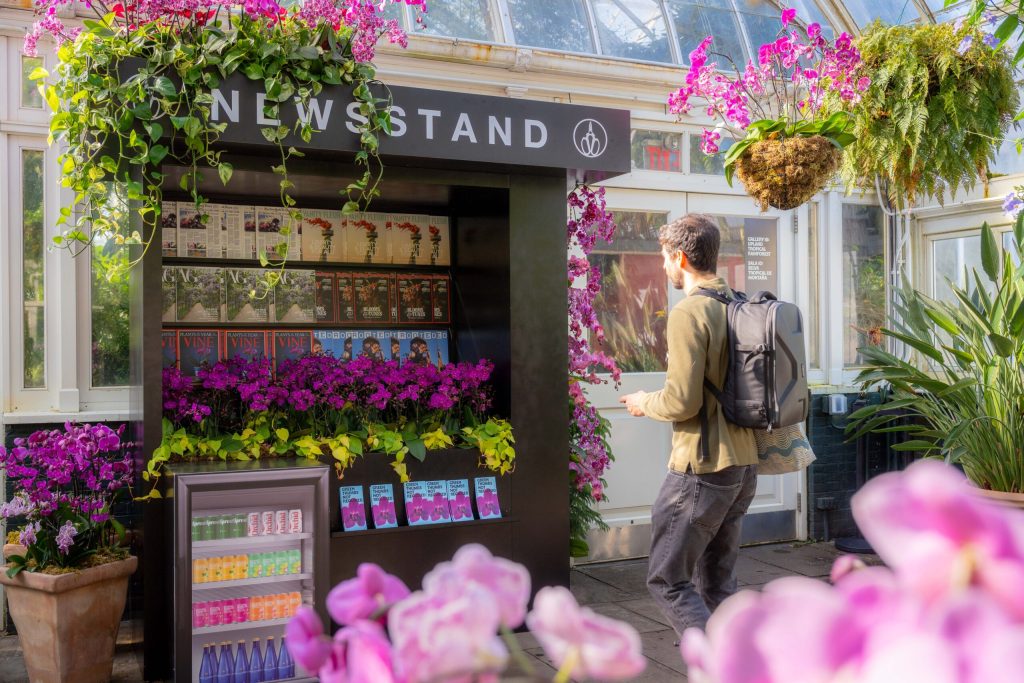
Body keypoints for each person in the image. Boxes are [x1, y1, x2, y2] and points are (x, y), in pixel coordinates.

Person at [619, 214, 757, 637]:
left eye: (664, 257)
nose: (663, 266)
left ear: (680, 257)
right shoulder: (739, 304)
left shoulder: (689, 312)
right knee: (717, 584)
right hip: (744, 466)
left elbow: (682, 400)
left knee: (667, 579)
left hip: (702, 468)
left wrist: (643, 402)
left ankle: (714, 665)